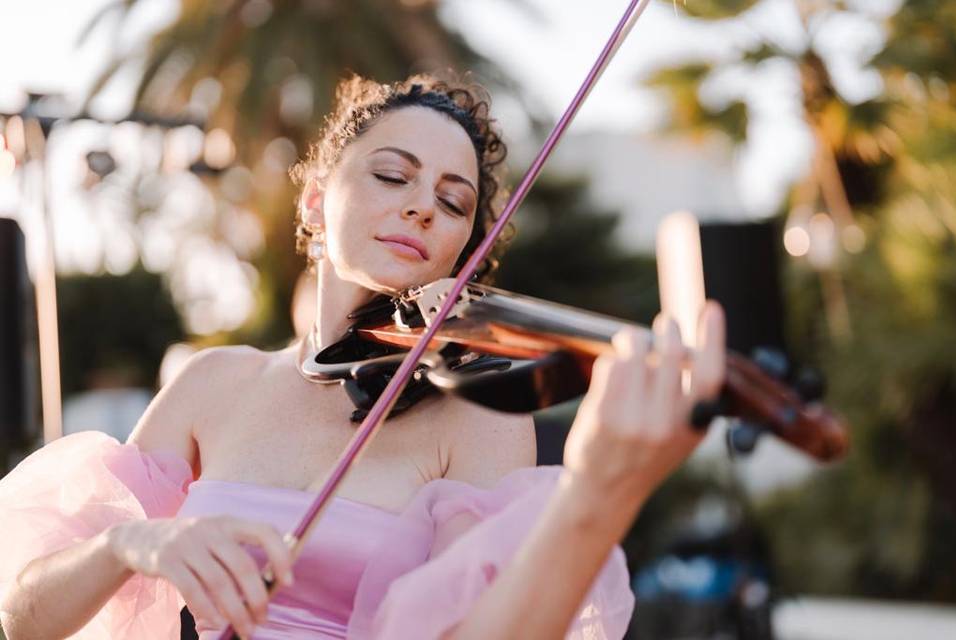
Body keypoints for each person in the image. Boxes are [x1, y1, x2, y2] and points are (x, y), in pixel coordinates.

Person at [0, 73, 725, 640]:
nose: (421, 208)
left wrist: (599, 492)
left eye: (453, 202)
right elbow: (25, 619)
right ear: (316, 200)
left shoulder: (473, 415)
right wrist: (131, 543)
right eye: (391, 175)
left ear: (462, 250)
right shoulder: (215, 383)